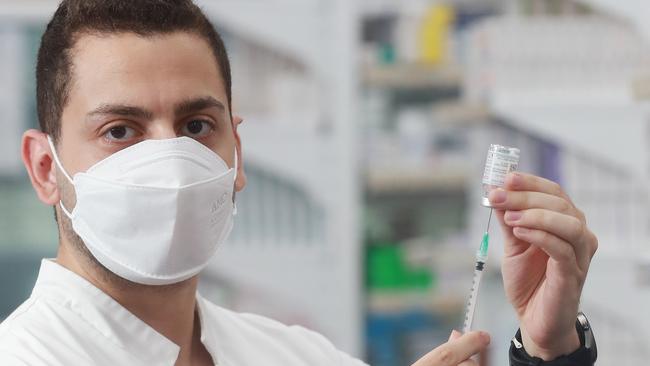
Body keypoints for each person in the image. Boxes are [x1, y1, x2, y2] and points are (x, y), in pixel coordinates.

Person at [0, 1, 598, 365]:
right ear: (46, 168)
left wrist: (551, 350)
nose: (171, 161)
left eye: (197, 125)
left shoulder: (292, 354)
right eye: (121, 131)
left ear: (237, 154)